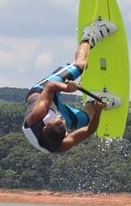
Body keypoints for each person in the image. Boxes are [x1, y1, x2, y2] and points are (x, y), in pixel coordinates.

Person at [22, 19, 117, 153]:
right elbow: (89, 130)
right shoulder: (61, 146)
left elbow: (50, 87)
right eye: (62, 121)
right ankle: (93, 101)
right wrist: (98, 110)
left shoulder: (37, 117)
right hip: (53, 108)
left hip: (42, 91)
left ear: (45, 126)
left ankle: (89, 34)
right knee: (85, 119)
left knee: (81, 66)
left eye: (58, 119)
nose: (60, 118)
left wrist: (67, 88)